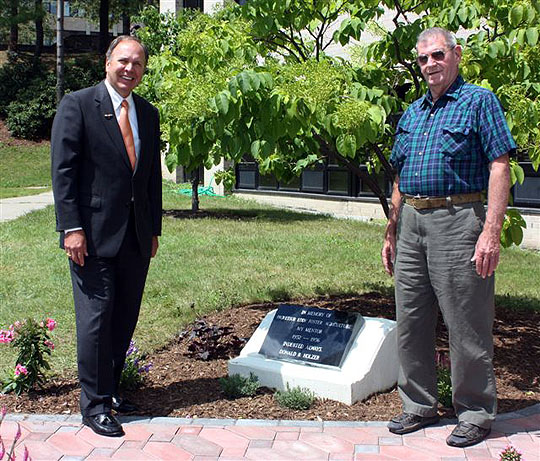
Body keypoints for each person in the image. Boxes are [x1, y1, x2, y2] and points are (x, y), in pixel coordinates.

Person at [381, 27, 515, 447]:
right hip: (412, 224)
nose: (429, 65)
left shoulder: (479, 101)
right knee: (411, 320)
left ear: (456, 54)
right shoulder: (414, 112)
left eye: (437, 55)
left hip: (460, 220)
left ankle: (475, 411)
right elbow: (400, 174)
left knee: (466, 321)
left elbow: (500, 163)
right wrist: (391, 228)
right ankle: (418, 404)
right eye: (422, 59)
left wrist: (491, 230)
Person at [51, 35, 162, 437]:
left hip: (136, 237)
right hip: (92, 237)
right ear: (107, 62)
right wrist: (72, 228)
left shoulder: (148, 114)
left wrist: (154, 230)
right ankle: (94, 406)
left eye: (137, 63)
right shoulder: (78, 105)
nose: (130, 69)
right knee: (96, 322)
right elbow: (63, 173)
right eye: (123, 61)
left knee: (123, 319)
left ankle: (111, 392)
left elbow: (149, 178)